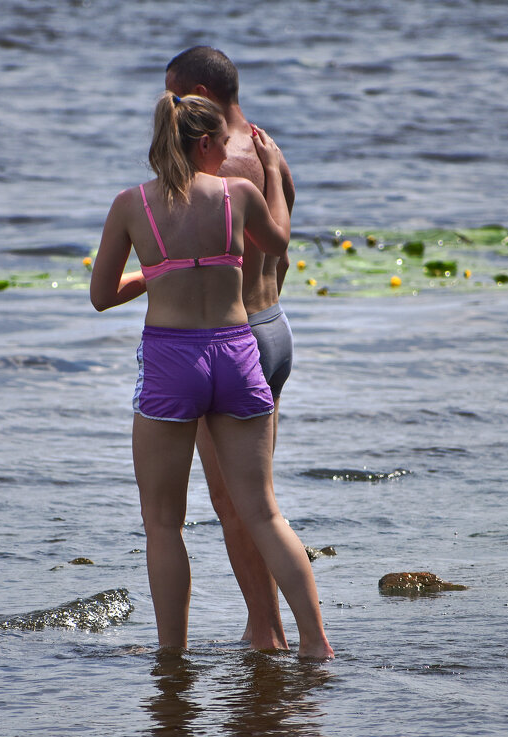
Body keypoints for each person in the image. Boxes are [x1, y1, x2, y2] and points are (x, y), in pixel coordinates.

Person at [89, 91, 334, 660]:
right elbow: (278, 243)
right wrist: (272, 172)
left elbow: (102, 296)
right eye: (224, 142)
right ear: (204, 144)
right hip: (235, 352)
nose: (230, 152)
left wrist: (159, 274)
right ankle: (316, 644)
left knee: (163, 524)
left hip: (172, 362)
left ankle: (172, 655)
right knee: (264, 512)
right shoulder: (240, 194)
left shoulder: (132, 205)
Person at [165, 46, 295, 651]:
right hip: (274, 327)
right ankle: (273, 627)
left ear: (199, 93)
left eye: (174, 95)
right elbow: (281, 251)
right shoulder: (271, 153)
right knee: (259, 497)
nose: (169, 107)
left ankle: (266, 630)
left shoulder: (207, 164)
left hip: (229, 340)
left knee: (235, 503)